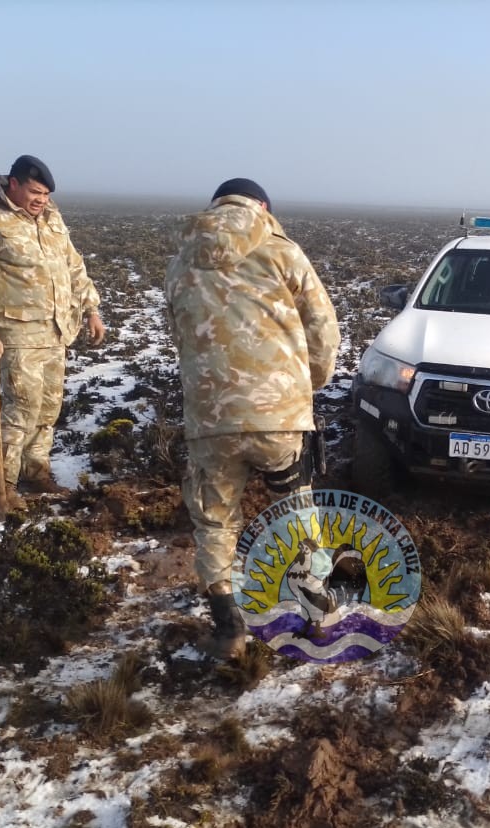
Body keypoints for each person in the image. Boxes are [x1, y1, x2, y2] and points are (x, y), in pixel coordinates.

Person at [164, 178, 340, 659]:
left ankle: (228, 627)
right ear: (262, 206)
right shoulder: (283, 252)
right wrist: (309, 385)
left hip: (209, 418)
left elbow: (180, 335)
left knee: (215, 520)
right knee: (295, 511)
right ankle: (314, 614)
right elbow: (323, 328)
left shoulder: (181, 261)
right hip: (279, 414)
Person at [0, 154, 104, 509]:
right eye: (35, 192)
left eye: (46, 193)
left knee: (48, 410)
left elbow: (73, 266)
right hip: (16, 335)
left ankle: (36, 474)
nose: (41, 200)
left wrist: (91, 308)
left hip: (56, 331)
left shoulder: (50, 217)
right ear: (13, 184)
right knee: (21, 410)